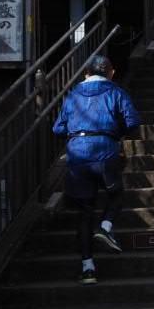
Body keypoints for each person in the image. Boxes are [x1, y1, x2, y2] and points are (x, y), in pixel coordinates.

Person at [53, 56, 140, 285]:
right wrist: (114, 132)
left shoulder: (72, 96)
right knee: (116, 193)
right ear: (111, 73)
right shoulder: (116, 91)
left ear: (86, 74)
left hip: (77, 155)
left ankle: (87, 267)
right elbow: (132, 122)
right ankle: (105, 226)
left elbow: (58, 128)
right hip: (105, 150)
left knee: (84, 212)